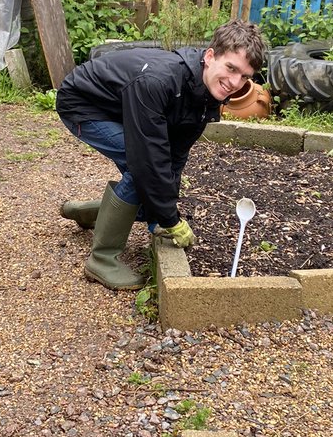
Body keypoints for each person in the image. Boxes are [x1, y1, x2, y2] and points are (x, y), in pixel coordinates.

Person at [56, 19, 267, 290]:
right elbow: (148, 163)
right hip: (84, 104)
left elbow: (176, 155)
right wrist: (170, 219)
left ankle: (90, 213)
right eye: (231, 68)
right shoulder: (160, 80)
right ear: (210, 56)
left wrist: (163, 218)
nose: (235, 82)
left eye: (245, 76)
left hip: (122, 104)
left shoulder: (206, 93)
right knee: (140, 168)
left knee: (153, 167)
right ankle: (102, 259)